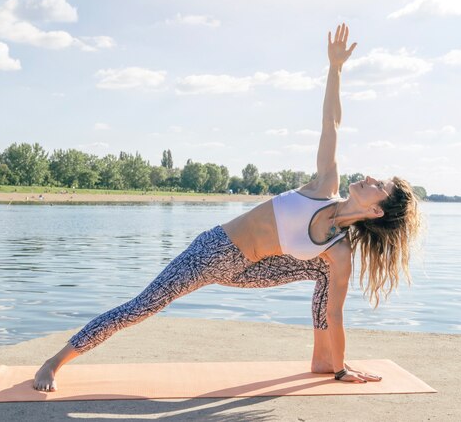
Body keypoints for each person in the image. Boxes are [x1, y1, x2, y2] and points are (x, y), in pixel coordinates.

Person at [33, 23, 421, 392]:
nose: (370, 177)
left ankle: (325, 360)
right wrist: (335, 69)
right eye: (376, 177)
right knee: (142, 307)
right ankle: (54, 362)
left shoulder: (340, 250)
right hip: (213, 252)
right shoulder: (325, 186)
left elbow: (335, 312)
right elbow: (331, 123)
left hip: (252, 270)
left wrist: (340, 370)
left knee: (328, 270)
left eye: (378, 186)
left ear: (375, 212)